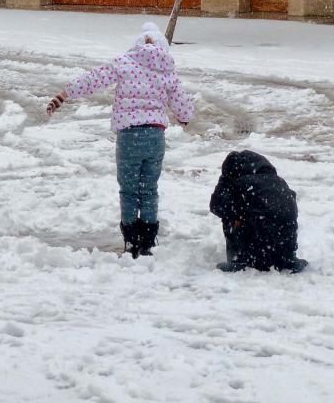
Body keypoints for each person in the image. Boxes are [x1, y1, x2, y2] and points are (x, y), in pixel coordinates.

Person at [46, 22, 194, 258]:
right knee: (149, 189)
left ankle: (131, 240)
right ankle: (147, 241)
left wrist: (65, 93)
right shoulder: (167, 70)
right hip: (155, 136)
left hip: (129, 136)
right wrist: (185, 118)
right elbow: (183, 106)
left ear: (140, 43)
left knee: (128, 190)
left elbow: (94, 78)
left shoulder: (125, 62)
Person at [209, 150, 307, 273]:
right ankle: (284, 257)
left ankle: (239, 260)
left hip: (257, 257)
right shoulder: (280, 183)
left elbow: (216, 206)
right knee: (246, 209)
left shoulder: (242, 184)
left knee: (230, 210)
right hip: (284, 255)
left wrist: (224, 180)